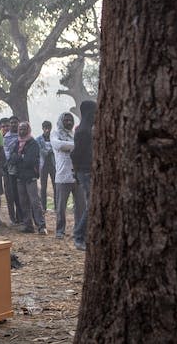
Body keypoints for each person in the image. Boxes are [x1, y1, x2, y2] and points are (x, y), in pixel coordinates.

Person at [9, 122, 47, 234]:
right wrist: (21, 157)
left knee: (35, 202)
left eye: (24, 129)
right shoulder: (17, 143)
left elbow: (30, 161)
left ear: (28, 130)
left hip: (31, 177)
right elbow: (12, 159)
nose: (22, 131)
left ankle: (41, 226)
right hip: (20, 177)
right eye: (20, 129)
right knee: (23, 202)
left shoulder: (33, 143)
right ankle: (28, 225)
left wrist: (19, 157)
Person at [51, 112, 83, 240]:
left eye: (71, 120)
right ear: (61, 121)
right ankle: (60, 231)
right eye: (66, 120)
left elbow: (79, 149)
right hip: (62, 176)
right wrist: (76, 146)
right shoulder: (55, 134)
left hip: (76, 175)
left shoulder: (74, 135)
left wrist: (70, 147)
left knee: (80, 206)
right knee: (60, 207)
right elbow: (59, 145)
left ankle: (78, 231)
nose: (69, 122)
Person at [71, 100, 96, 251]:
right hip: (85, 171)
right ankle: (79, 236)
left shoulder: (88, 130)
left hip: (88, 170)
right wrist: (77, 172)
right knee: (91, 204)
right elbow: (75, 155)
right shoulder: (83, 131)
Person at [3, 115, 23, 225]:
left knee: (19, 194)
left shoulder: (23, 136)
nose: (14, 124)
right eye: (12, 123)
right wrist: (9, 161)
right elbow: (5, 152)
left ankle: (20, 217)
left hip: (20, 169)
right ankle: (12, 218)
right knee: (10, 194)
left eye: (16, 122)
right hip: (7, 169)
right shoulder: (6, 137)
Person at [37, 120, 57, 212]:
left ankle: (57, 206)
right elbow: (40, 151)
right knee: (43, 187)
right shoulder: (39, 139)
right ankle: (43, 207)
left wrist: (49, 151)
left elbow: (56, 149)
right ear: (42, 128)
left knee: (55, 185)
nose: (47, 130)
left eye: (48, 128)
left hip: (53, 165)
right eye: (45, 128)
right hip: (43, 165)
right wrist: (49, 151)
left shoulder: (54, 138)